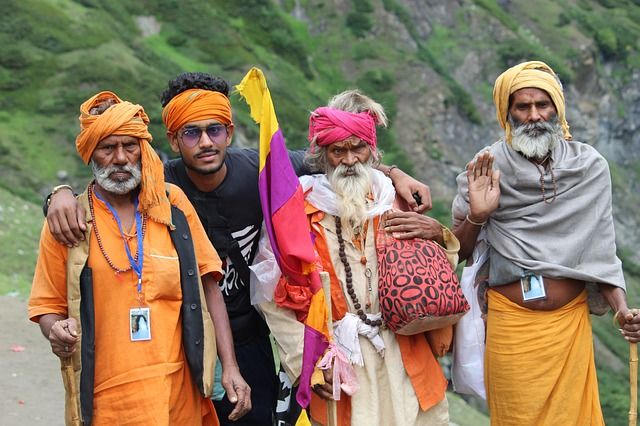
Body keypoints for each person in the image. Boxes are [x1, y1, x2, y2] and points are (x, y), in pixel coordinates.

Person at [44, 73, 434, 425]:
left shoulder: (262, 172)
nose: (206, 142)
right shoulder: (161, 186)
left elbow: (338, 159)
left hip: (251, 337)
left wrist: (395, 174)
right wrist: (58, 195)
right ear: (174, 140)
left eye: (214, 130)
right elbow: (112, 174)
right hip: (186, 341)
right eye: (191, 133)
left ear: (229, 132)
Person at [28, 91, 250, 425]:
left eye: (129, 146)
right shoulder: (70, 222)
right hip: (108, 404)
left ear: (142, 150)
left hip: (179, 397)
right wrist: (55, 329)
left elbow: (209, 287)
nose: (120, 158)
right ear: (91, 153)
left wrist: (230, 367)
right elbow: (46, 307)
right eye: (107, 148)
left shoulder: (171, 204)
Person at [451, 60, 640, 425]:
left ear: (558, 109)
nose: (534, 115)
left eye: (543, 105)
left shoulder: (589, 167)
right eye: (523, 107)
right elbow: (459, 252)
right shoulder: (487, 167)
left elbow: (600, 251)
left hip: (569, 328)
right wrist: (478, 215)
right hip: (511, 327)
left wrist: (622, 310)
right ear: (507, 114)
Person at [253, 90, 458, 425]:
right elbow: (273, 300)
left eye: (357, 148)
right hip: (338, 362)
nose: (349, 160)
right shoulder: (296, 211)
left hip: (404, 356)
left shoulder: (396, 200)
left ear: (371, 150)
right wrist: (309, 364)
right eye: (338, 150)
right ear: (323, 154)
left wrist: (438, 235)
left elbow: (438, 281)